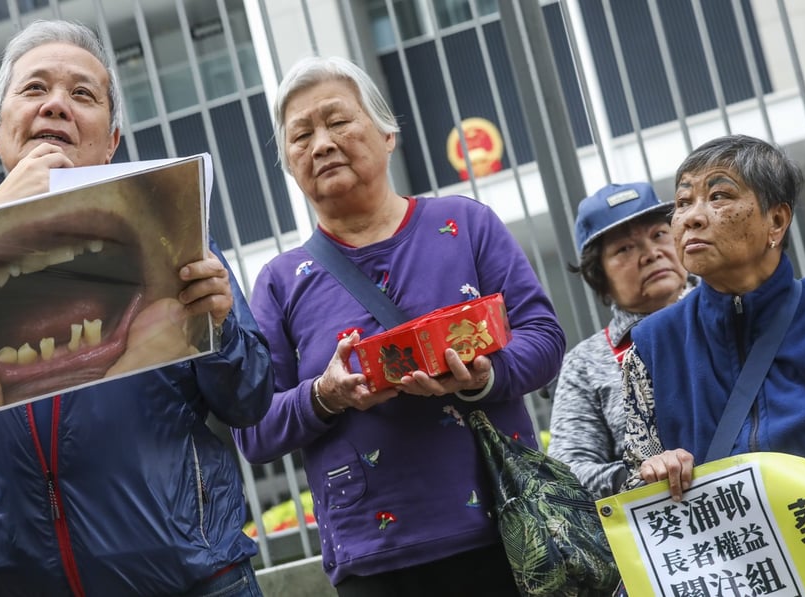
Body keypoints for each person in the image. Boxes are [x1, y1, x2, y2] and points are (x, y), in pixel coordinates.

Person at [0, 20, 274, 595]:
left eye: (83, 95)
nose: (58, 106)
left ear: (110, 140)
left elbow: (250, 399)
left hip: (195, 579)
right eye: (35, 89)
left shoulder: (175, 240)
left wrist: (224, 331)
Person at [231, 56, 566, 596]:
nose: (321, 144)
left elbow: (544, 338)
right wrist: (324, 397)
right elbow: (253, 427)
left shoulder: (466, 226)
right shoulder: (280, 282)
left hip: (504, 527)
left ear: (387, 134)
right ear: (290, 165)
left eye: (338, 121)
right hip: (374, 558)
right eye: (301, 135)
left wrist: (478, 376)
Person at [621, 134, 805, 501]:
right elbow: (635, 484)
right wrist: (657, 469)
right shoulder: (650, 345)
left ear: (776, 220)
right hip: (736, 551)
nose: (690, 217)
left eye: (718, 196)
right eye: (682, 202)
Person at [547, 182, 692, 499]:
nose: (651, 254)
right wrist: (638, 476)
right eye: (625, 249)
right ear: (600, 278)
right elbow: (567, 470)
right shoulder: (586, 362)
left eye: (658, 234)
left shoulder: (732, 311)